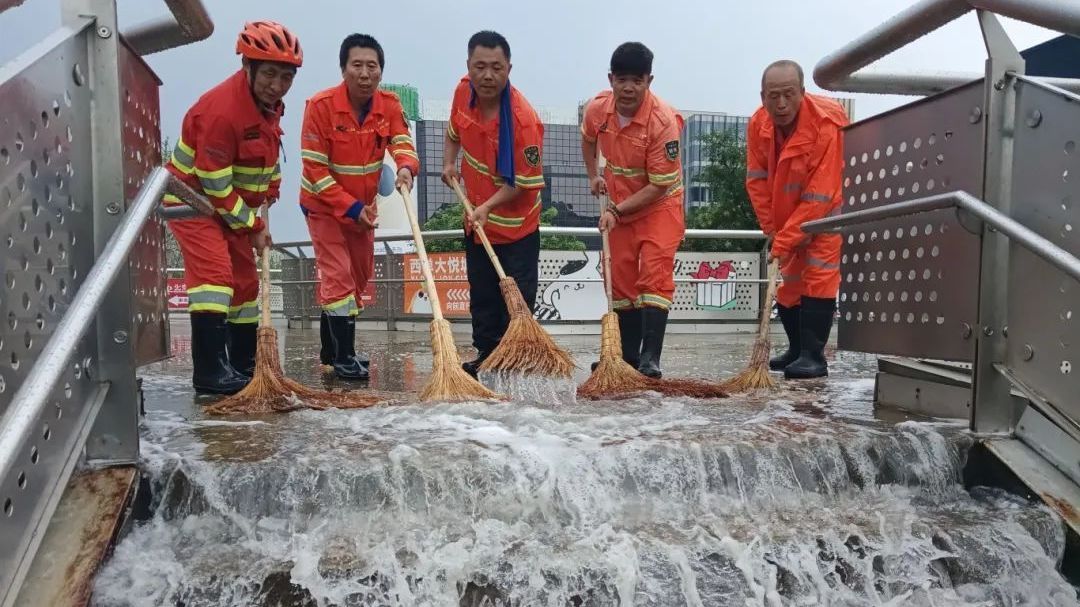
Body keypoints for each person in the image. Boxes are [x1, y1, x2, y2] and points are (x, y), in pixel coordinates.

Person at [163, 21, 302, 394]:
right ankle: (209, 373)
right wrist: (253, 225)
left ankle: (242, 366)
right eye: (269, 74)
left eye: (286, 76)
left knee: (245, 284)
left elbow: (267, 156)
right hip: (191, 200)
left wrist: (270, 187)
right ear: (247, 66)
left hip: (232, 205)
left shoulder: (270, 108)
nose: (277, 85)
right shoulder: (222, 111)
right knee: (214, 279)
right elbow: (215, 185)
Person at [299, 34, 419, 380]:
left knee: (358, 278)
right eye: (357, 66)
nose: (365, 73)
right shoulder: (320, 107)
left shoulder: (390, 106)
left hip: (362, 210)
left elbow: (402, 144)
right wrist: (350, 208)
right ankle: (344, 358)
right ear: (343, 69)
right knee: (337, 276)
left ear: (381, 71)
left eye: (372, 66)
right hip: (323, 206)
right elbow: (315, 171)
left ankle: (330, 350)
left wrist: (407, 169)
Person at [441, 30, 546, 377]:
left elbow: (522, 184)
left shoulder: (523, 120)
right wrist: (447, 163)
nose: (488, 75)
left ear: (509, 69)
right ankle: (486, 356)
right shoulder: (461, 92)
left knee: (516, 302)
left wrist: (487, 206)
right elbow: (453, 132)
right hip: (478, 223)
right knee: (483, 296)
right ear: (468, 66)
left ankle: (515, 361)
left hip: (518, 230)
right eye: (480, 66)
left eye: (496, 68)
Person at [580, 42, 685, 379]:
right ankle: (625, 356)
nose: (628, 88)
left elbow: (659, 185)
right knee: (620, 278)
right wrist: (593, 175)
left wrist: (618, 212)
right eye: (621, 79)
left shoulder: (662, 121)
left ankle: (650, 359)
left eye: (636, 81)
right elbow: (587, 139)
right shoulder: (597, 110)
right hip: (620, 201)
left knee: (653, 275)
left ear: (649, 81)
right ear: (610, 79)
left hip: (660, 204)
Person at [746, 60, 847, 379]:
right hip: (786, 220)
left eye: (789, 95)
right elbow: (756, 180)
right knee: (789, 284)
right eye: (773, 96)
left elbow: (822, 192)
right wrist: (773, 230)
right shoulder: (758, 125)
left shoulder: (827, 122)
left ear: (803, 92)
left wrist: (788, 236)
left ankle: (813, 356)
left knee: (818, 277)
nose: (781, 104)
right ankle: (795, 349)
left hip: (824, 218)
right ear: (762, 96)